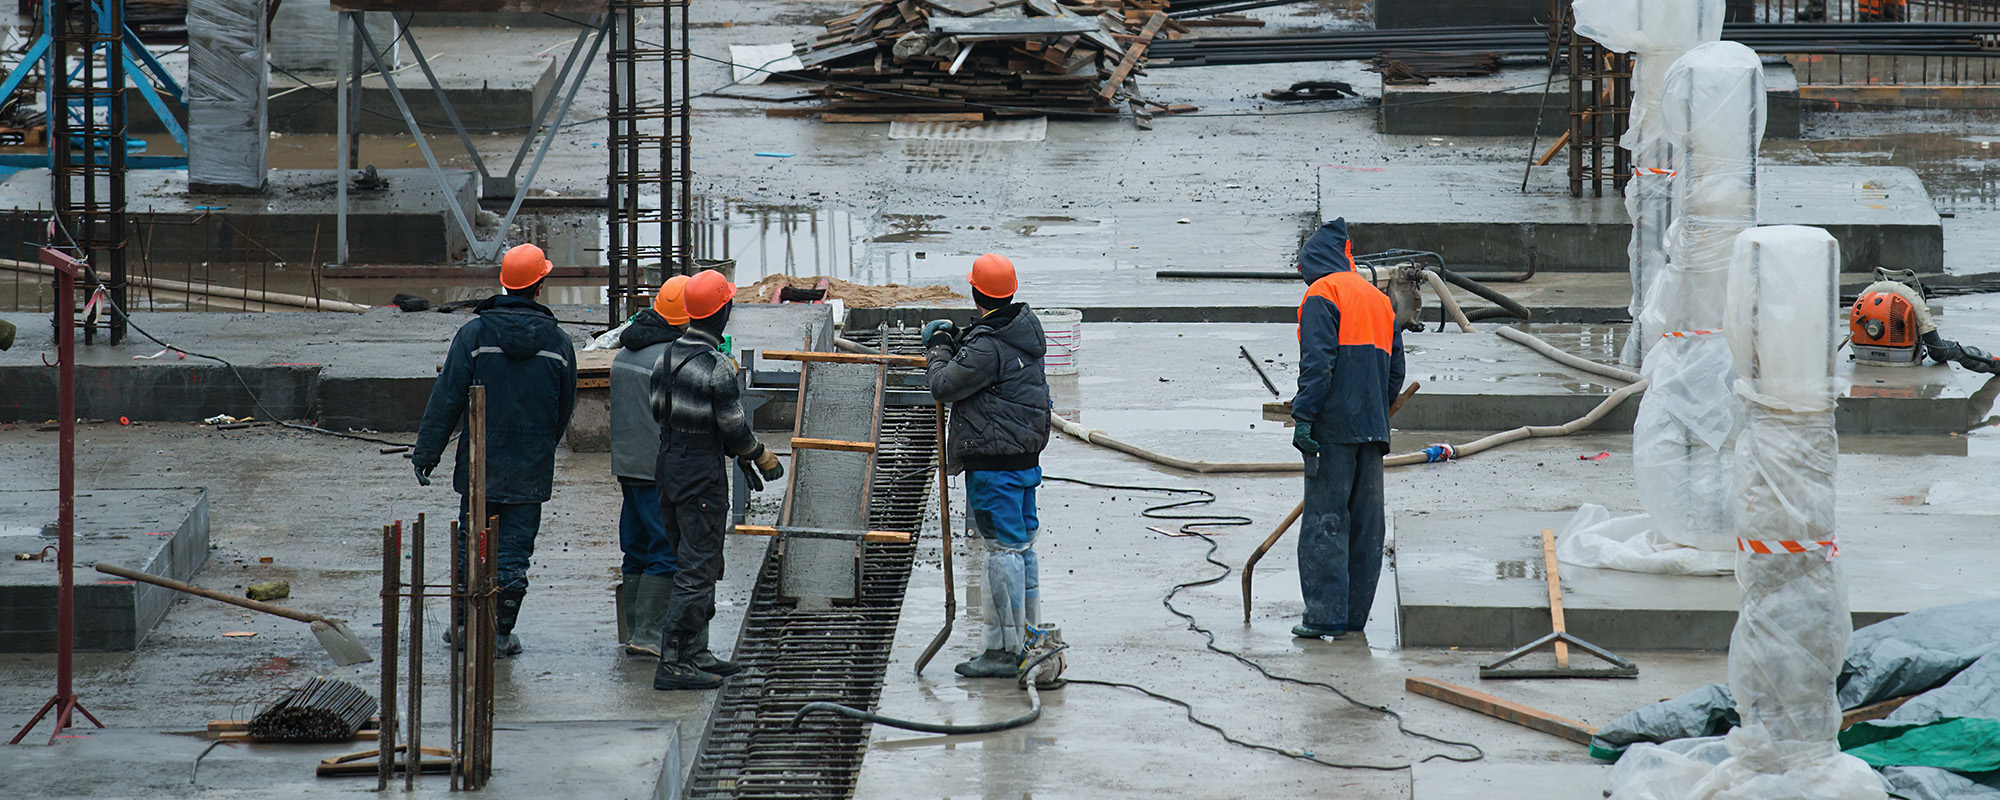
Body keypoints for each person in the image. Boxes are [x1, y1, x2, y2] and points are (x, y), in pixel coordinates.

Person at [413, 243, 578, 658]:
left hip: (479, 463)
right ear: (540, 285)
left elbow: (447, 398)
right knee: (514, 550)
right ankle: (500, 633)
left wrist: (427, 452)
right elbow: (564, 408)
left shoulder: (474, 335)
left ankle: (468, 625)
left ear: (503, 283)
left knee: (473, 542)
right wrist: (542, 446)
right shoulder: (558, 343)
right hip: (530, 466)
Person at [650, 269, 784, 690]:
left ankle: (695, 652)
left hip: (669, 464)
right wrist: (760, 455)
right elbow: (733, 427)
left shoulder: (666, 356)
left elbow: (660, 411)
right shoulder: (715, 367)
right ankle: (673, 662)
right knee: (698, 566)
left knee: (690, 559)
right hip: (699, 472)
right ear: (722, 311)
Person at [922, 253, 1052, 679]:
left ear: (975, 293)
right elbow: (987, 359)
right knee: (1021, 546)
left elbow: (944, 385)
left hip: (995, 463)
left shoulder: (988, 344)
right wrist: (963, 340)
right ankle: (1029, 638)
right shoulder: (1020, 330)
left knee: (1001, 551)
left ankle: (1004, 650)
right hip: (1022, 460)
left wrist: (940, 350)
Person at [1290, 218, 1404, 640]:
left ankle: (1324, 617)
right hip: (1373, 431)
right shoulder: (1379, 300)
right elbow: (1396, 374)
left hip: (1333, 430)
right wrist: (1374, 413)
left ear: (1313, 262)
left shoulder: (1323, 293)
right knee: (1367, 525)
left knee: (1326, 519)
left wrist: (1304, 417)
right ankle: (1354, 617)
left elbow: (1318, 364)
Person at [610, 275, 689, 658]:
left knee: (636, 546)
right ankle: (648, 634)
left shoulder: (626, 352)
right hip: (657, 468)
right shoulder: (670, 359)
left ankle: (633, 630)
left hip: (628, 467)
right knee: (666, 547)